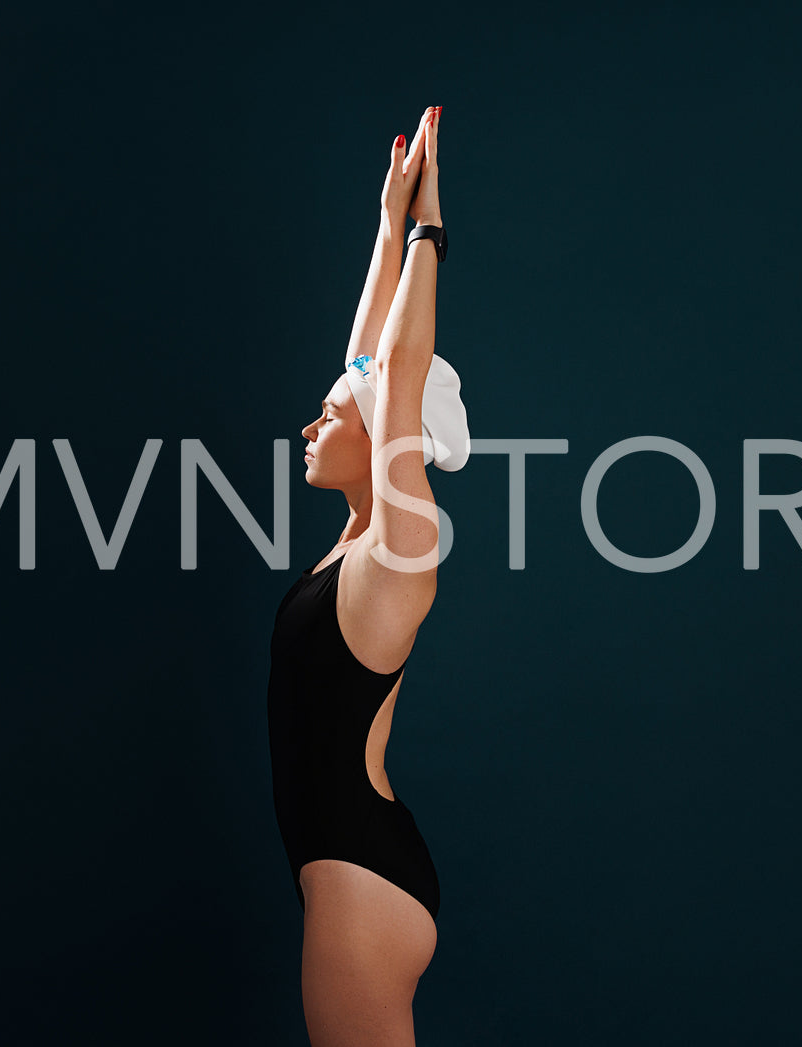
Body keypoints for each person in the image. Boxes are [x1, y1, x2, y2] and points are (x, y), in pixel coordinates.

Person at [266, 104, 470, 1046]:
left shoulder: (399, 553)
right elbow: (366, 366)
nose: (311, 426)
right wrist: (385, 231)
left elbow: (390, 369)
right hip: (354, 866)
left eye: (326, 413)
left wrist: (428, 228)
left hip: (359, 883)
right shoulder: (355, 542)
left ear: (389, 430)